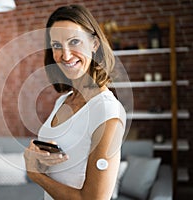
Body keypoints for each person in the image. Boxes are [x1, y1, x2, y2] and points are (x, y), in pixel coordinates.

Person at [24, 4, 126, 200]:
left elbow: (94, 198)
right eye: (56, 46)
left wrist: (36, 175)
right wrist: (37, 155)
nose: (66, 55)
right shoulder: (63, 100)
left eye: (75, 42)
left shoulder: (107, 110)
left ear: (94, 44)